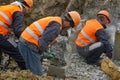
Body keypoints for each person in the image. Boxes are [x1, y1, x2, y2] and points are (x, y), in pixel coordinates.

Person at [18, 11, 81, 75]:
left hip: (26, 41)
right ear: (69, 23)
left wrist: (44, 51)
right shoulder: (56, 26)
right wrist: (45, 52)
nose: (68, 28)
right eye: (70, 26)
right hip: (28, 44)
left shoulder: (57, 21)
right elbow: (43, 41)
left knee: (31, 69)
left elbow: (46, 39)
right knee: (37, 74)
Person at [0, 0, 33, 69]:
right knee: (18, 52)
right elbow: (17, 30)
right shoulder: (18, 12)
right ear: (24, 7)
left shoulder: (6, 7)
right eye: (26, 11)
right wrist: (24, 40)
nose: (25, 13)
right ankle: (27, 72)